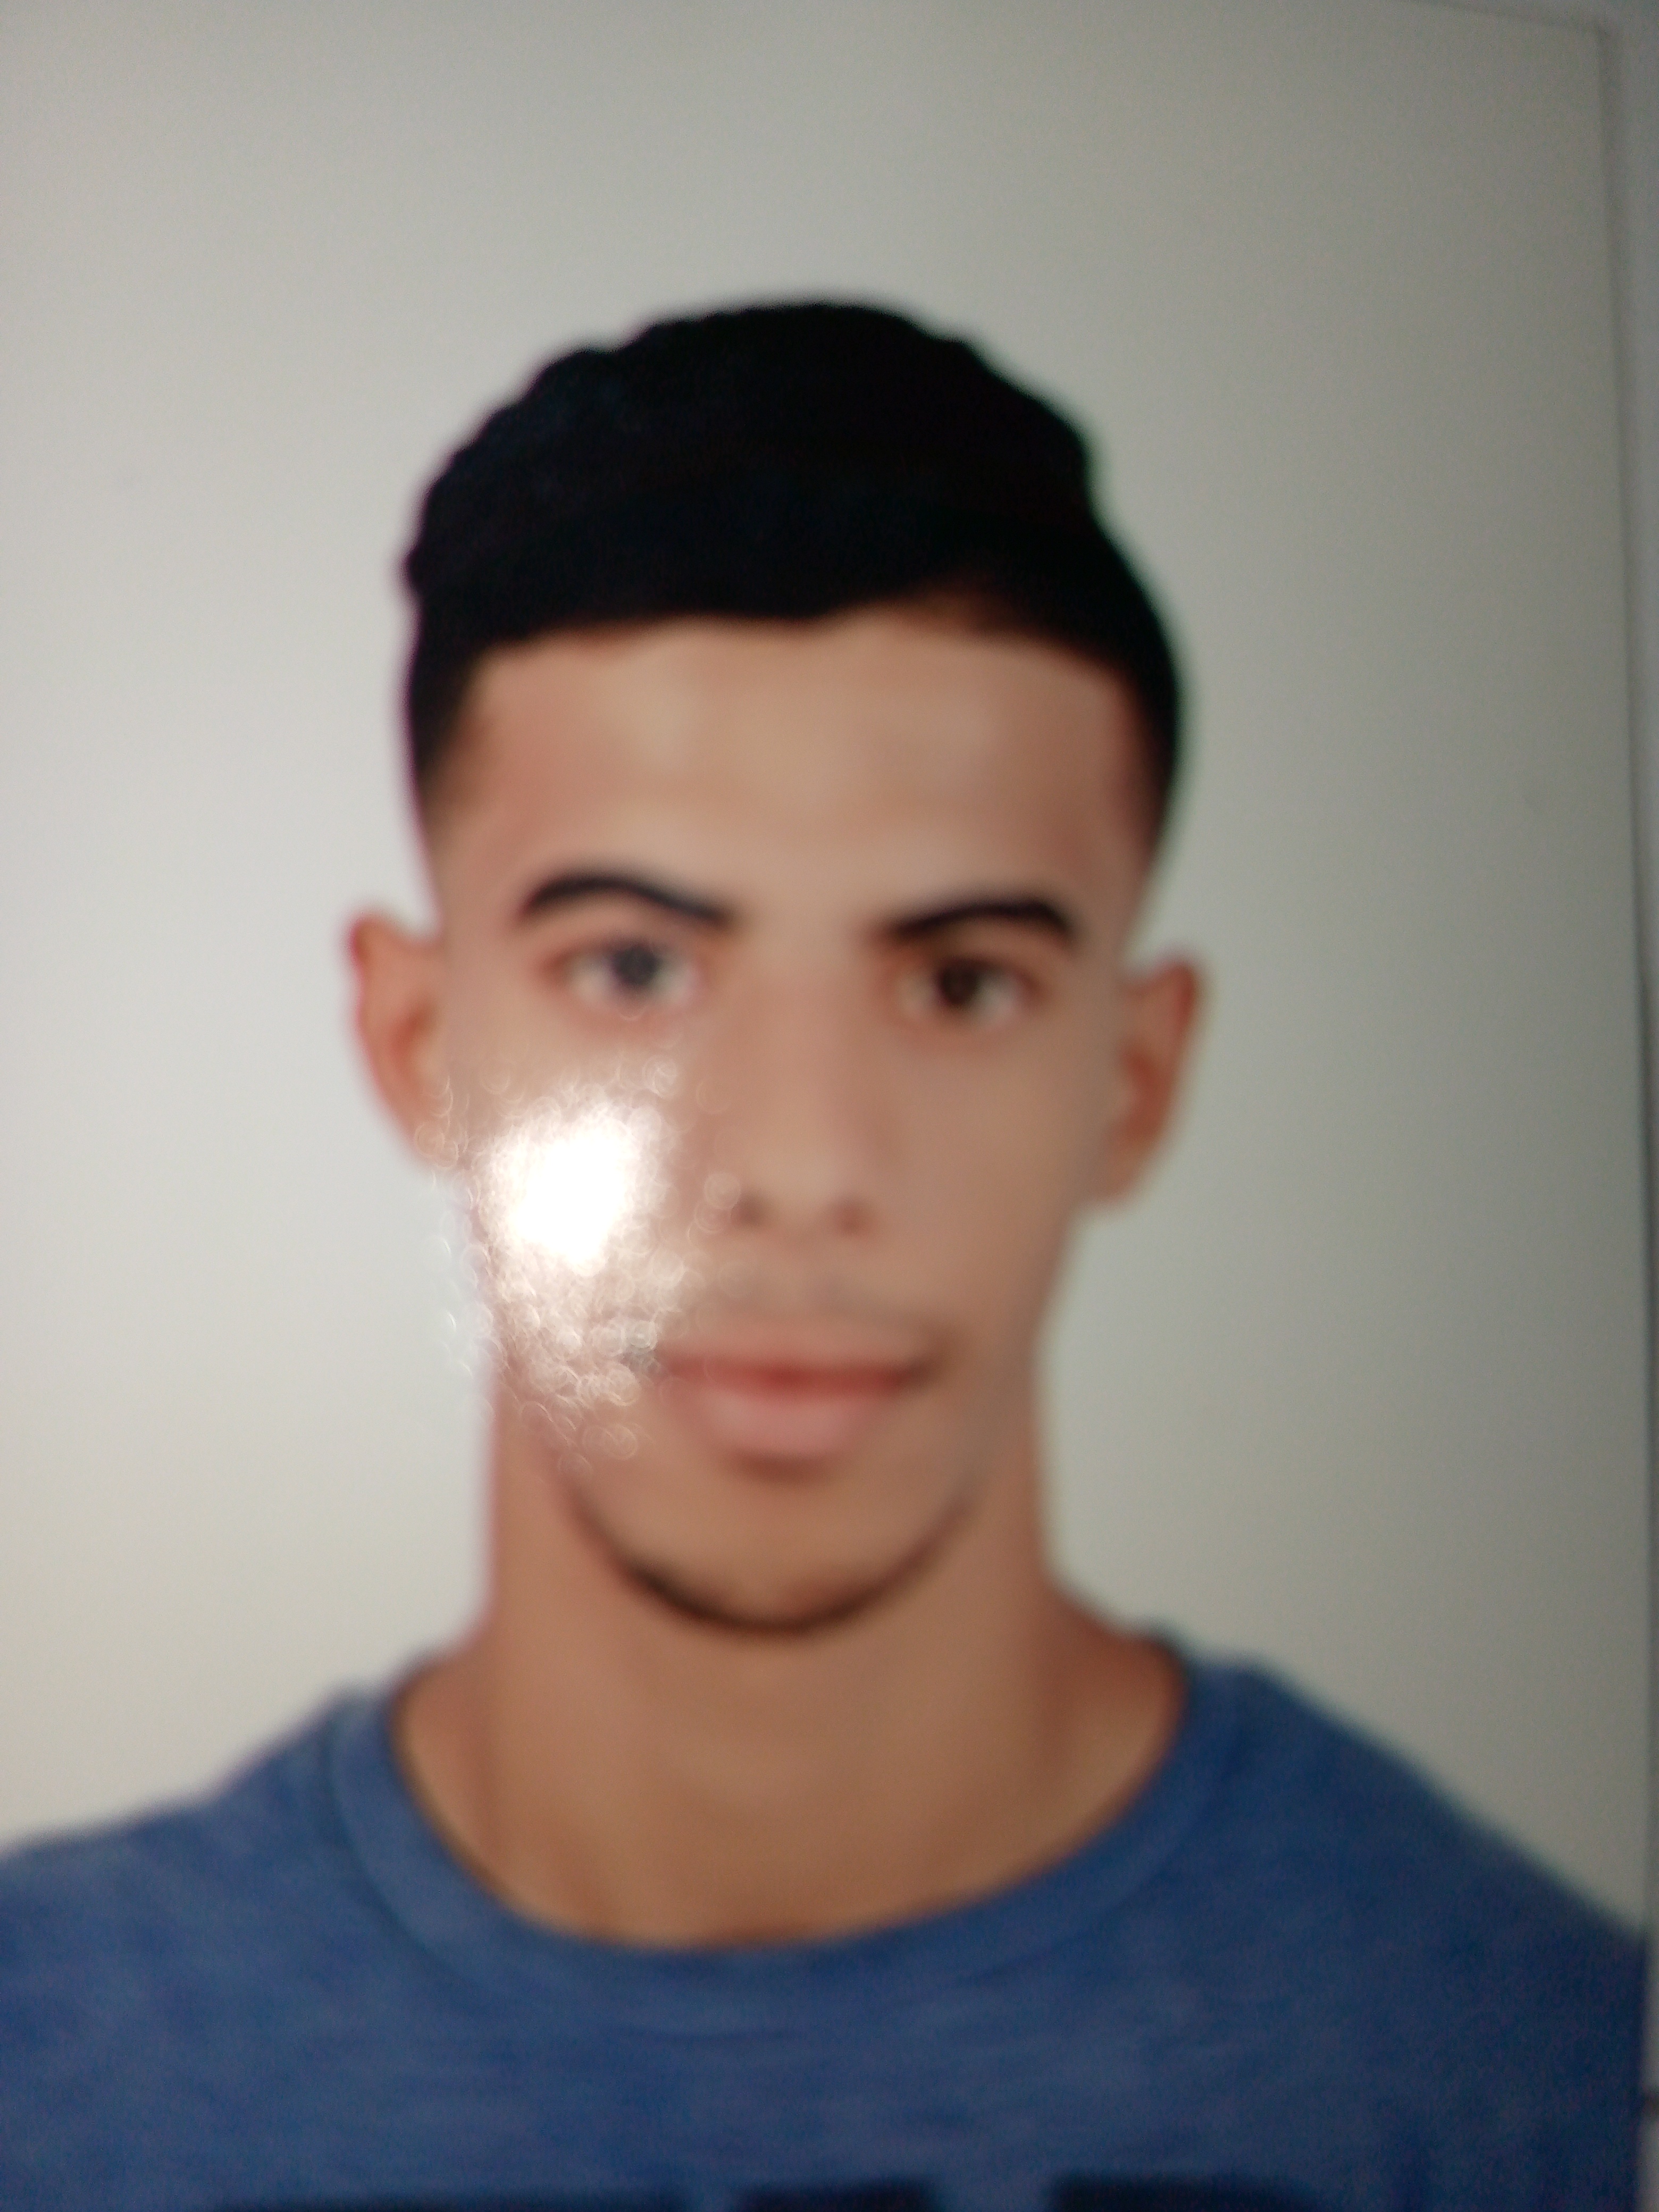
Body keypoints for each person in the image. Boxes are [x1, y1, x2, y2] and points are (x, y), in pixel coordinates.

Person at [0, 301, 1639, 2210]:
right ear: (418, 1046)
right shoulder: (51, 2071)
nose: (801, 1164)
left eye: (961, 984)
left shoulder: (1541, 2074)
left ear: (1135, 1078)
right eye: (634, 968)